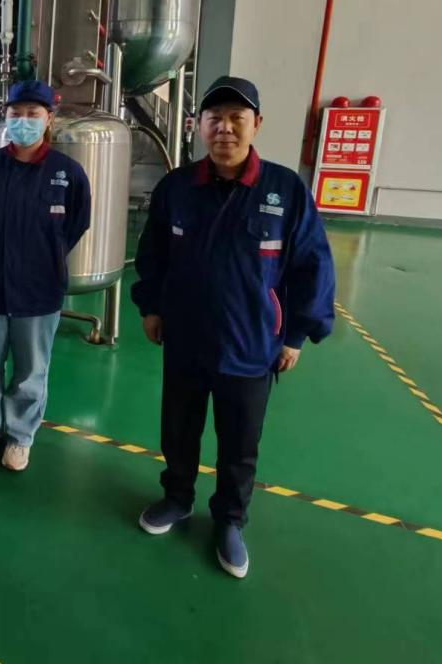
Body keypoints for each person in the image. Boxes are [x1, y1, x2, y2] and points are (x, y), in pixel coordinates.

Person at [131, 76, 335, 579]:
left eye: (236, 118)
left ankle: (229, 520)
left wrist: (295, 336)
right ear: (198, 125)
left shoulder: (284, 190)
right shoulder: (177, 188)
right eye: (214, 118)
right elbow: (152, 253)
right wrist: (151, 307)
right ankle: (177, 498)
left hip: (251, 345)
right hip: (185, 339)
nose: (224, 128)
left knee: (239, 444)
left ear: (256, 124)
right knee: (179, 430)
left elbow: (312, 265)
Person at [0, 80, 91, 472]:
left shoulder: (68, 173)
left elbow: (76, 224)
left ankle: (19, 436)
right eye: (16, 113)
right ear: (6, 116)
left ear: (49, 119)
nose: (23, 120)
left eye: (33, 114)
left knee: (31, 370)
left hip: (39, 289)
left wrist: (44, 258)